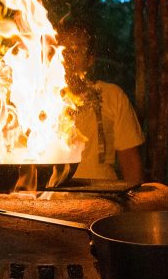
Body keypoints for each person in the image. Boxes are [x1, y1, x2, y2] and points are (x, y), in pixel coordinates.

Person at [60, 23, 145, 184]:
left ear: (90, 59)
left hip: (102, 197)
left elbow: (131, 163)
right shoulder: (37, 100)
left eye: (75, 51)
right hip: (51, 198)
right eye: (62, 51)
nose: (66, 58)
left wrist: (136, 205)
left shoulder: (112, 96)